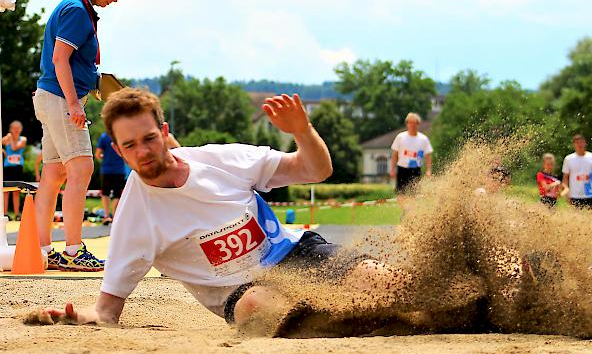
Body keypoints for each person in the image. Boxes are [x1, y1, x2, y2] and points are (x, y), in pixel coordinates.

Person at [33, 88, 398, 327]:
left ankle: (449, 303)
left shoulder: (221, 159)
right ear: (117, 150)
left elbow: (316, 170)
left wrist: (302, 131)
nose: (143, 152)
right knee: (259, 311)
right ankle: (363, 324)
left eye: (149, 138)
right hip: (241, 291)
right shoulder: (135, 217)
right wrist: (79, 316)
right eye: (130, 145)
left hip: (295, 253)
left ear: (164, 131)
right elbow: (107, 309)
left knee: (383, 282)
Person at [32, 0, 135, 271]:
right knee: (81, 170)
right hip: (63, 99)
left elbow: (61, 61)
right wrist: (74, 104)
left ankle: (42, 250)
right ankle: (74, 251)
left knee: (53, 175)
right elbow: (60, 59)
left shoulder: (74, 6)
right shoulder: (77, 10)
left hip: (50, 96)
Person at [390, 113, 432, 194]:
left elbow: (428, 156)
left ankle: (414, 206)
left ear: (418, 124)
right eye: (410, 122)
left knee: (415, 193)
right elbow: (395, 154)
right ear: (407, 124)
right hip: (402, 168)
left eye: (414, 123)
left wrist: (428, 170)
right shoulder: (400, 137)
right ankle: (403, 206)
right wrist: (392, 169)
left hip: (416, 170)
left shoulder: (423, 139)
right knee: (400, 193)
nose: (412, 125)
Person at [561, 135, 592, 213]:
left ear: (585, 143)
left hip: (591, 194)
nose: (579, 144)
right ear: (574, 145)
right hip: (575, 195)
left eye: (581, 142)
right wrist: (567, 192)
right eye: (577, 143)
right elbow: (565, 177)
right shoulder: (568, 159)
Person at [95, 132, 126, 223]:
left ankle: (106, 215)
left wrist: (104, 158)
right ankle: (115, 215)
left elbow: (98, 154)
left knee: (105, 193)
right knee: (117, 194)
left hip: (106, 169)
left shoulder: (104, 136)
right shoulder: (121, 135)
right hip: (120, 169)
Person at [2, 120, 27, 218]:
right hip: (8, 167)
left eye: (18, 128)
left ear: (21, 129)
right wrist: (3, 152)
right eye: (14, 128)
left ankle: (17, 214)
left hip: (18, 167)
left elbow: (14, 147)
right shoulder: (7, 138)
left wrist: (10, 138)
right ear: (10, 129)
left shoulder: (23, 139)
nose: (16, 130)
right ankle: (5, 213)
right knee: (6, 191)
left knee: (16, 191)